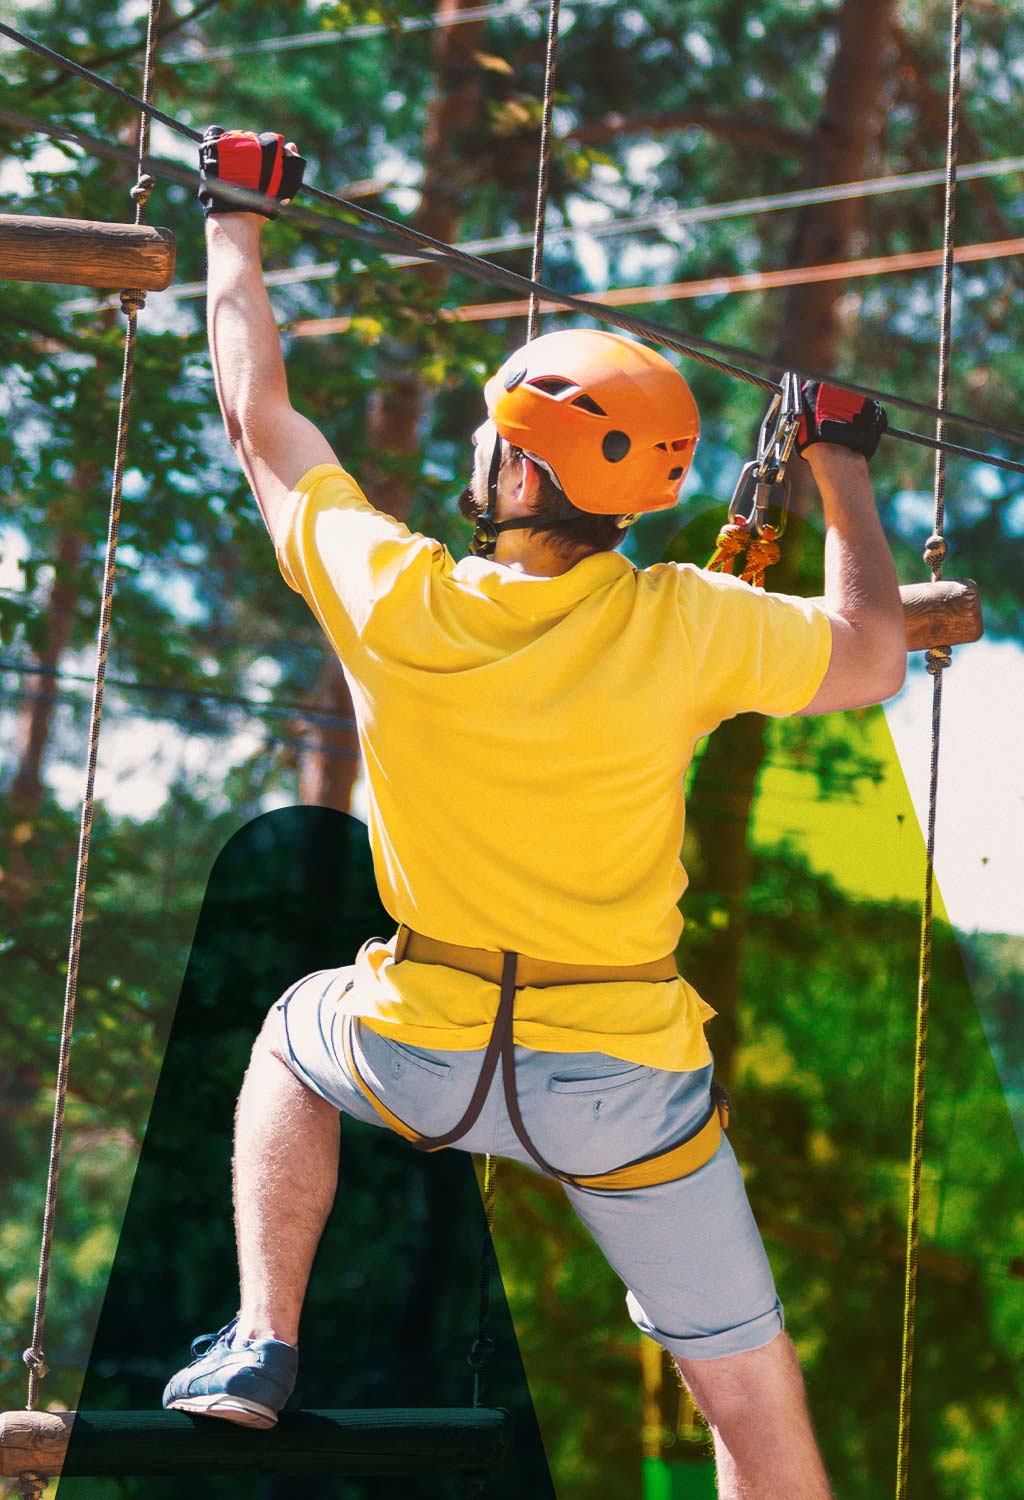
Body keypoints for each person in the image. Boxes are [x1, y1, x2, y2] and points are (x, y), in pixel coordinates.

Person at [162, 129, 905, 1500]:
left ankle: (262, 1340)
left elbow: (259, 417)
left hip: (420, 1043)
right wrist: (844, 465)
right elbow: (867, 655)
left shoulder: (397, 597)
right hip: (624, 1089)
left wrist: (234, 222)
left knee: (287, 1035)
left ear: (519, 473)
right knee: (749, 1403)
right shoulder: (689, 624)